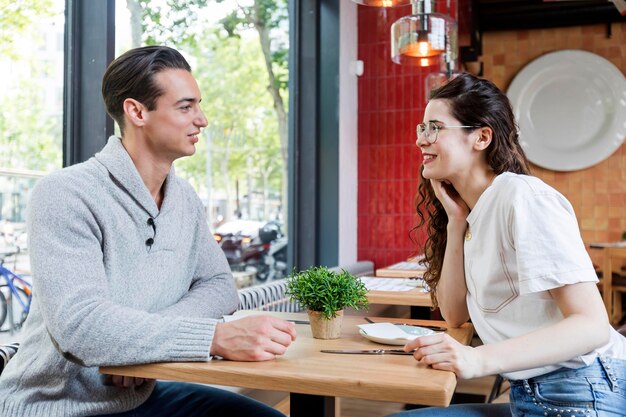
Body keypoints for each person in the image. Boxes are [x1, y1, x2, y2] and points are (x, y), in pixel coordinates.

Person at [0, 45, 296, 417]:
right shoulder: (65, 193)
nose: (201, 119)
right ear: (137, 112)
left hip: (139, 397)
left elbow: (219, 285)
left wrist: (139, 345)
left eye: (198, 105)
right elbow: (82, 327)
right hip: (56, 407)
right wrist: (213, 338)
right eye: (186, 107)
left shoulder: (184, 199)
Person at [388, 73, 626, 417]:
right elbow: (454, 313)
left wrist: (476, 359)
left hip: (585, 391)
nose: (421, 141)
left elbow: (590, 325)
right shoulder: (474, 212)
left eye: (435, 128)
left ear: (482, 137)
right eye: (421, 129)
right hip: (534, 394)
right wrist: (456, 223)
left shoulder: (523, 198)